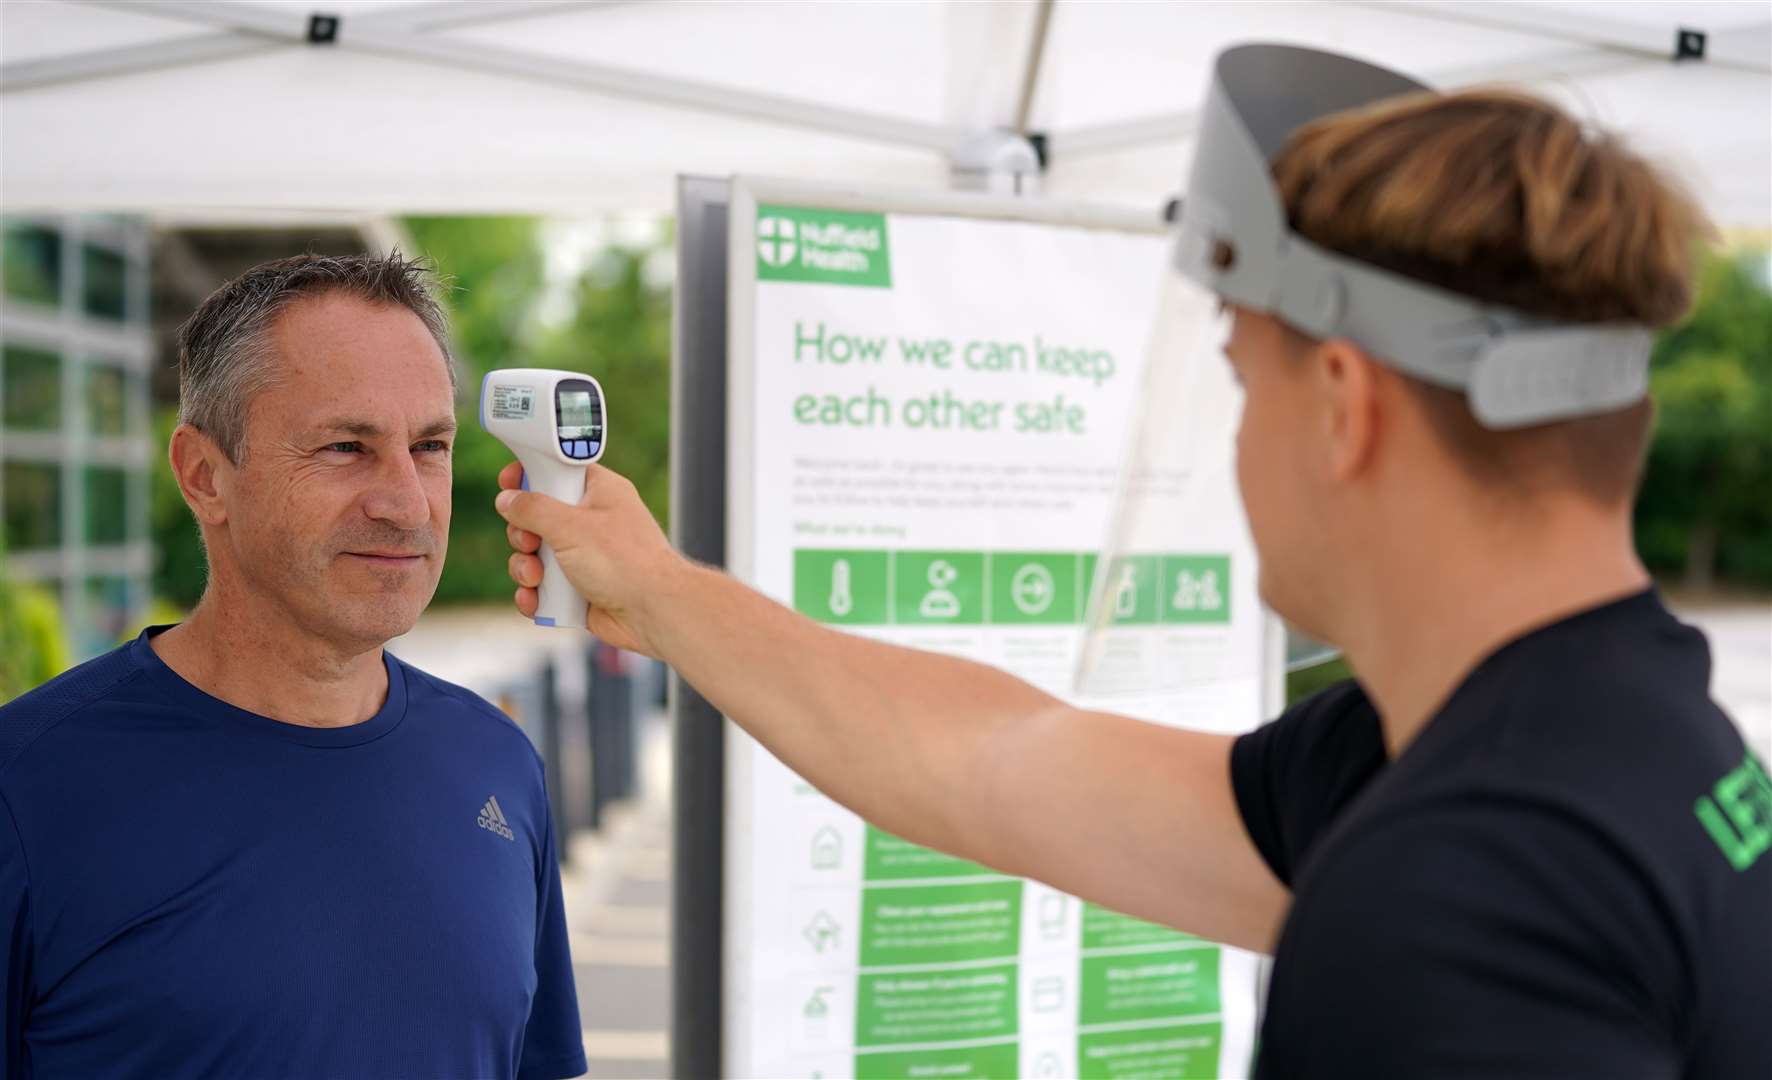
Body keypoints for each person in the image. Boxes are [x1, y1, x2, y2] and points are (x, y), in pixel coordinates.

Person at [492, 48, 1769, 1078]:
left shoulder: (1451, 902)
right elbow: (999, 764)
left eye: (1238, 380)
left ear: (1342, 402)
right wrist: (658, 589)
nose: (1237, 439)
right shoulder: (1593, 743)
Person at [0, 254, 586, 1080]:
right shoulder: (25, 790)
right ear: (205, 476)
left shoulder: (498, 763)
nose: (407, 503)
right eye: (347, 447)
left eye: (429, 446)